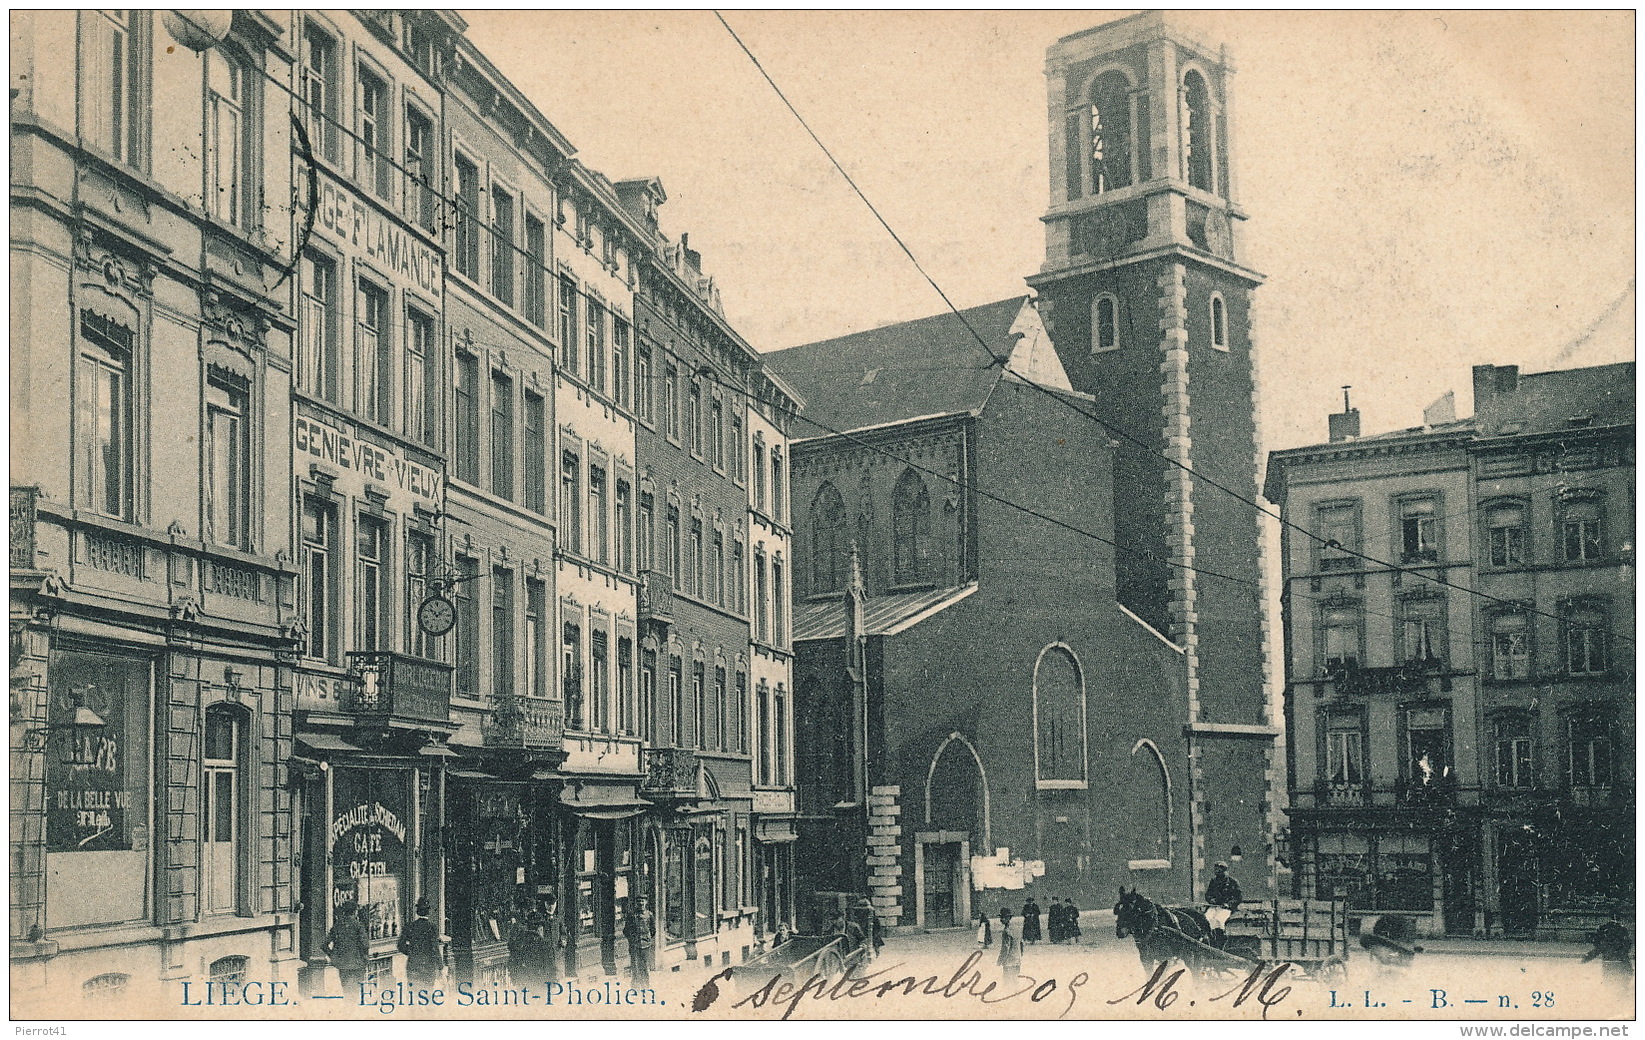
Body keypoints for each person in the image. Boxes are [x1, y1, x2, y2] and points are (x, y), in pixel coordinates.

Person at [326, 902, 370, 994]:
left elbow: (323, 945)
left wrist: (333, 956)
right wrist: (365, 957)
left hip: (342, 964)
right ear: (355, 912)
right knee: (356, 992)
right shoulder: (358, 925)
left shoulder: (338, 925)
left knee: (346, 991)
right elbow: (365, 945)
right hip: (357, 964)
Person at [399, 897, 444, 987]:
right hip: (428, 967)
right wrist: (440, 966)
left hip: (413, 966)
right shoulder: (432, 927)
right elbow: (435, 949)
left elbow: (400, 945)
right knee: (427, 995)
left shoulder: (409, 926)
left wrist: (412, 952)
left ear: (417, 911)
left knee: (413, 993)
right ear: (428, 912)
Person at [1583, 910, 1633, 987]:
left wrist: (1588, 956)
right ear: (1620, 918)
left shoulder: (1603, 928)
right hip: (1620, 960)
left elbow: (1598, 945)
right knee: (1621, 983)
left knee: (1608, 981)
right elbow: (1627, 945)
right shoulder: (1623, 929)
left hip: (1607, 959)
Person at [509, 912, 555, 988]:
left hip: (524, 983)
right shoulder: (544, 943)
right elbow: (550, 966)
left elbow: (512, 963)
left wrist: (516, 980)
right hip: (541, 984)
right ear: (540, 928)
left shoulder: (519, 942)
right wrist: (552, 983)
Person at [1204, 862, 1242, 947]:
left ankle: (1220, 942)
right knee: (1207, 918)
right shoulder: (1213, 881)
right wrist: (1211, 900)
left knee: (1219, 920)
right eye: (1215, 869)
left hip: (1226, 908)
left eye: (1218, 870)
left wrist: (1228, 904)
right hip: (1214, 907)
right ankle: (1210, 940)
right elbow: (1208, 894)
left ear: (1224, 870)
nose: (1216, 871)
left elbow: (1238, 897)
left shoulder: (1233, 882)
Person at [623, 898, 654, 986]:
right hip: (634, 945)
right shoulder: (631, 915)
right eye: (639, 901)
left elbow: (653, 929)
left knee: (645, 966)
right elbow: (626, 930)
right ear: (636, 903)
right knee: (635, 967)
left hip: (645, 945)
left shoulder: (649, 915)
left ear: (646, 902)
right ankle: (635, 987)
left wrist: (647, 938)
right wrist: (632, 940)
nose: (641, 903)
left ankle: (645, 986)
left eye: (642, 901)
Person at [997, 906, 1022, 977]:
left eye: (1003, 918)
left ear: (1008, 918)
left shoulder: (1006, 931)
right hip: (1017, 960)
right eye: (1001, 917)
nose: (1001, 920)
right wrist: (1019, 955)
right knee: (1015, 981)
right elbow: (1021, 943)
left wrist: (1000, 960)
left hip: (1009, 961)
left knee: (1008, 982)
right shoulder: (1017, 928)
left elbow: (1006, 948)